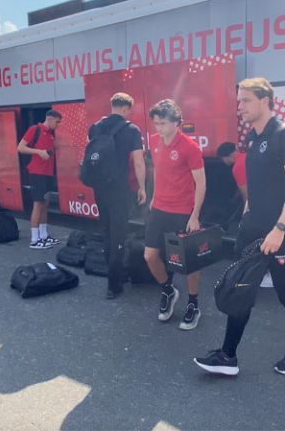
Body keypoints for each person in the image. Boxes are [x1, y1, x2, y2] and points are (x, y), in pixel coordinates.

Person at [194, 77, 285, 377]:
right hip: (254, 230)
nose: (240, 106)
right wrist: (247, 215)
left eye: (246, 100)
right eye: (239, 101)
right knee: (240, 288)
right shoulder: (254, 138)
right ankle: (227, 356)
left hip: (279, 233)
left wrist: (280, 228)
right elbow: (258, 187)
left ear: (265, 100)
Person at [144, 99, 206, 330]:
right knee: (150, 256)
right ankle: (168, 290)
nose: (158, 128)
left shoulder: (190, 147)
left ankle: (193, 304)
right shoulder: (153, 141)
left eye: (162, 123)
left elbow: (201, 183)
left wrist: (195, 215)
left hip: (183, 210)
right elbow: (158, 170)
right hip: (159, 208)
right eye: (156, 123)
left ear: (176, 123)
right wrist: (153, 195)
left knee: (188, 263)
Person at [88, 92, 146, 299]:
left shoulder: (94, 127)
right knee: (119, 234)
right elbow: (138, 162)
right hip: (120, 190)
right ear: (126, 108)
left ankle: (114, 275)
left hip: (99, 188)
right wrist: (142, 187)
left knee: (107, 232)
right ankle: (114, 285)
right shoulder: (131, 130)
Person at [18, 110, 63, 249]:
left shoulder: (50, 134)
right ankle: (34, 239)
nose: (58, 125)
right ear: (49, 119)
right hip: (37, 173)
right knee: (38, 204)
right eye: (57, 122)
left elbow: (50, 151)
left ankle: (44, 235)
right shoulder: (34, 129)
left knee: (45, 203)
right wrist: (38, 152)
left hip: (47, 173)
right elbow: (20, 148)